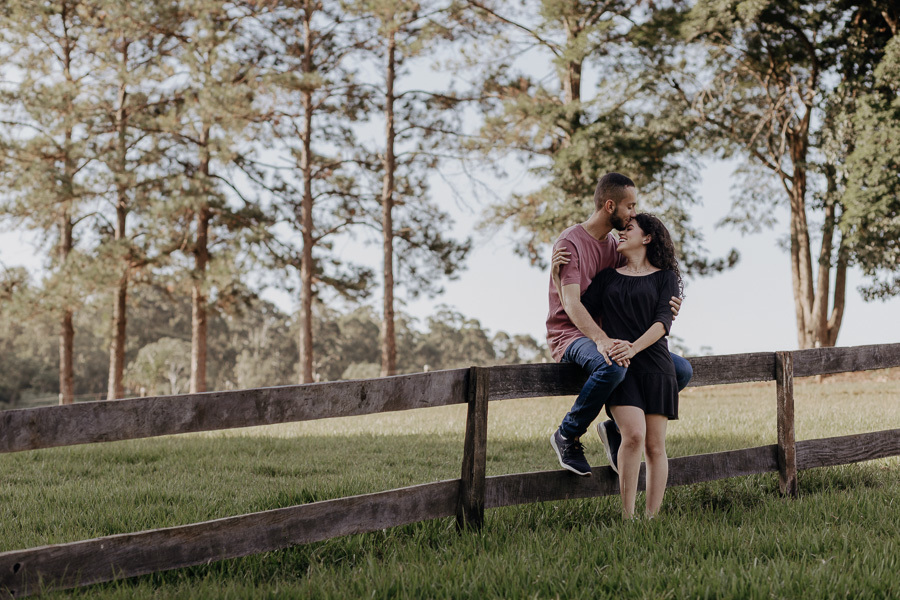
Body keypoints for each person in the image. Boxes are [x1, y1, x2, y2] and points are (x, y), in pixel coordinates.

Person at [546, 173, 692, 477]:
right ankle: (567, 434)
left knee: (678, 370)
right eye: (630, 206)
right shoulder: (570, 243)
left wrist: (666, 305)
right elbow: (572, 305)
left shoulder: (616, 245)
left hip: (613, 337)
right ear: (610, 205)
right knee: (612, 366)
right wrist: (602, 341)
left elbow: (632, 287)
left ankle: (617, 428)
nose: (633, 213)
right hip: (571, 334)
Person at [558, 213, 682, 518]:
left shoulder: (666, 278)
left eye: (628, 229)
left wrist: (633, 347)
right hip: (621, 365)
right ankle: (628, 518)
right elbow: (578, 310)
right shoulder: (607, 278)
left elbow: (662, 323)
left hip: (655, 365)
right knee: (634, 436)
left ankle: (651, 519)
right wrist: (556, 276)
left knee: (655, 446)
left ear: (647, 238)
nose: (620, 234)